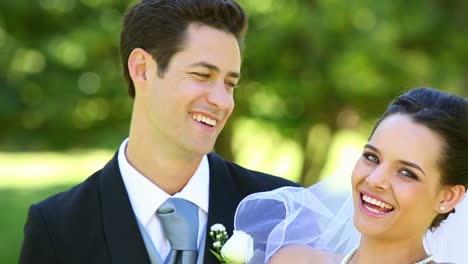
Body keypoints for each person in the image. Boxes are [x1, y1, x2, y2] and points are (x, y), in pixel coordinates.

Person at [19, 1, 299, 263]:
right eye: (202, 75)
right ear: (142, 70)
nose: (223, 101)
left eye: (229, 83)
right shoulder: (57, 228)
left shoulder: (282, 210)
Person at [235, 88, 468, 263]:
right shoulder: (293, 260)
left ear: (448, 197)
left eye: (406, 173)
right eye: (372, 158)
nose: (375, 180)